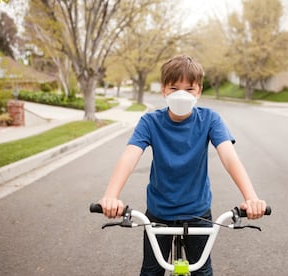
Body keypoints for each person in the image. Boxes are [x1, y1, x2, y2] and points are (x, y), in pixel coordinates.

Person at [99, 54, 267, 275]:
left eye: (189, 89)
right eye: (174, 88)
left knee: (202, 271)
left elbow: (229, 156)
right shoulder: (150, 121)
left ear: (199, 91)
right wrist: (111, 195)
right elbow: (130, 157)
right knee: (151, 272)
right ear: (163, 90)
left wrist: (251, 198)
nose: (181, 94)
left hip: (197, 211)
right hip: (159, 212)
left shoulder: (210, 119)